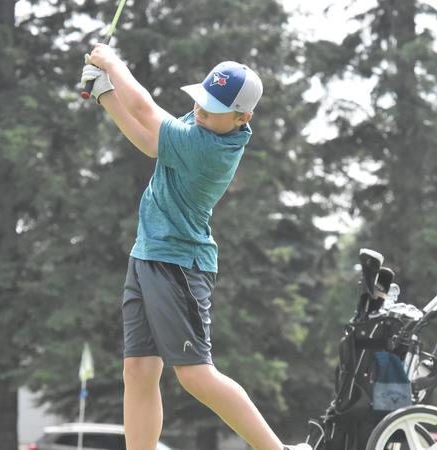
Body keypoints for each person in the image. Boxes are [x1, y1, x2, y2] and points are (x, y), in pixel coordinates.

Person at [80, 43, 312, 450]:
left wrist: (113, 63)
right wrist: (105, 94)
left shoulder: (208, 148)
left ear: (242, 117)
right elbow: (151, 143)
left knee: (195, 375)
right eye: (201, 100)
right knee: (138, 371)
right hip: (148, 255)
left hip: (179, 266)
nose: (200, 110)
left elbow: (146, 110)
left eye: (213, 107)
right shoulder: (205, 124)